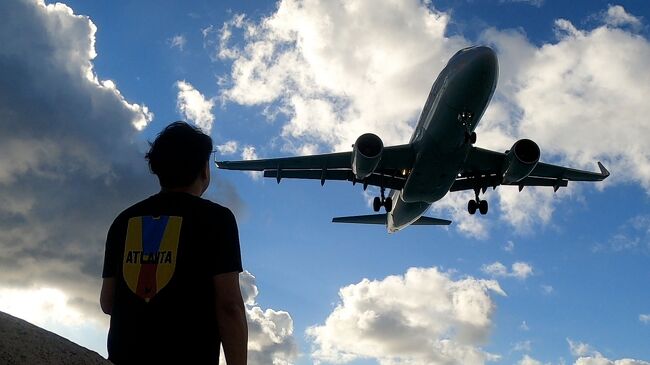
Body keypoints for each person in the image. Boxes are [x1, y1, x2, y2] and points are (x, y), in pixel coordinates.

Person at [100, 121, 247, 365]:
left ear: (157, 168)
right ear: (204, 170)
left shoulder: (123, 221)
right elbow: (230, 305)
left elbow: (108, 302)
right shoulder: (217, 219)